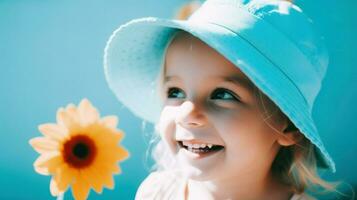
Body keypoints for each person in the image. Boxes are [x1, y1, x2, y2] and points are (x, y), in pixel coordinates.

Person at [103, 0, 343, 199]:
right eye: (175, 92)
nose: (187, 114)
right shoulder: (156, 192)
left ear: (289, 124)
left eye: (223, 94)